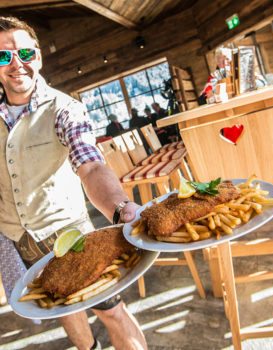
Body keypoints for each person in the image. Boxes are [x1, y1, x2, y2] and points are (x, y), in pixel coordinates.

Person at [0, 16, 147, 350]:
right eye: (3, 57)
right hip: (21, 238)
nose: (16, 64)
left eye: (23, 53)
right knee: (64, 306)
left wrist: (120, 208)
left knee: (112, 311)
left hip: (68, 233)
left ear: (37, 55)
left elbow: (91, 166)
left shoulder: (65, 109)